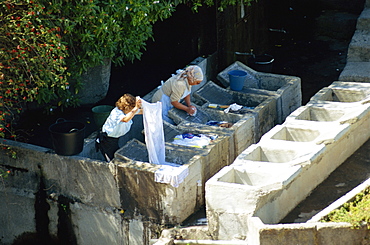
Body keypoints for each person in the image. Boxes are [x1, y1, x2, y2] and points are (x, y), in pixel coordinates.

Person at [96, 94, 142, 161]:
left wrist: (154, 108)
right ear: (125, 108)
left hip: (115, 138)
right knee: (111, 159)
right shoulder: (116, 113)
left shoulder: (128, 111)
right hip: (106, 140)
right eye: (131, 109)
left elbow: (140, 111)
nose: (132, 111)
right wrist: (135, 108)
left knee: (116, 153)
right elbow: (125, 119)